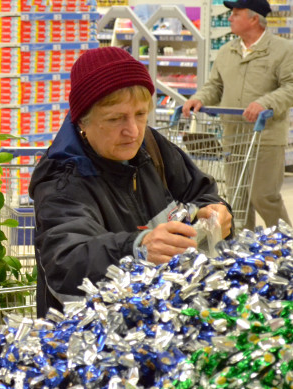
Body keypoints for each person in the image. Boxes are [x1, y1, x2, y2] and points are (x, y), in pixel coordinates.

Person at [29, 46, 233, 317]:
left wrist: (216, 212)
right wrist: (137, 249)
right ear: (82, 122)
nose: (133, 131)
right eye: (115, 119)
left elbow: (202, 194)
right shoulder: (63, 181)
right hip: (93, 340)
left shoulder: (153, 148)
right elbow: (67, 262)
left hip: (162, 323)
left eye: (140, 114)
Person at [183, 0, 293, 230]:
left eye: (236, 13)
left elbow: (290, 87)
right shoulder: (227, 51)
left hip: (266, 136)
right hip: (234, 136)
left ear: (254, 18)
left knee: (264, 196)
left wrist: (265, 102)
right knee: (238, 200)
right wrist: (199, 98)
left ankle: (285, 244)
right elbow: (215, 86)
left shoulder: (283, 50)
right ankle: (244, 251)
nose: (230, 17)